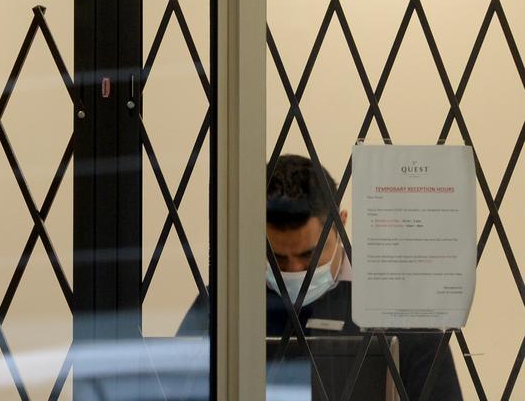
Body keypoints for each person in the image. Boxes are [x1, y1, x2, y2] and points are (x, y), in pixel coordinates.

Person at [179, 154, 463, 400]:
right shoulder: (218, 306)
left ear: (341, 222)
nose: (293, 272)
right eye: (276, 258)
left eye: (309, 256)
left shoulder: (401, 311)